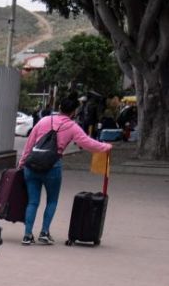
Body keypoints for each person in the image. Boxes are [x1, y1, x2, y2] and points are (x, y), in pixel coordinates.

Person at [18, 94, 112, 245]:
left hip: (32, 165)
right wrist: (106, 147)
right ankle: (44, 233)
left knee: (33, 201)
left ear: (59, 107)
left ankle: (27, 235)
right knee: (52, 201)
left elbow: (29, 144)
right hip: (52, 167)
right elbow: (88, 143)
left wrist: (22, 163)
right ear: (74, 112)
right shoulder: (72, 126)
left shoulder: (44, 120)